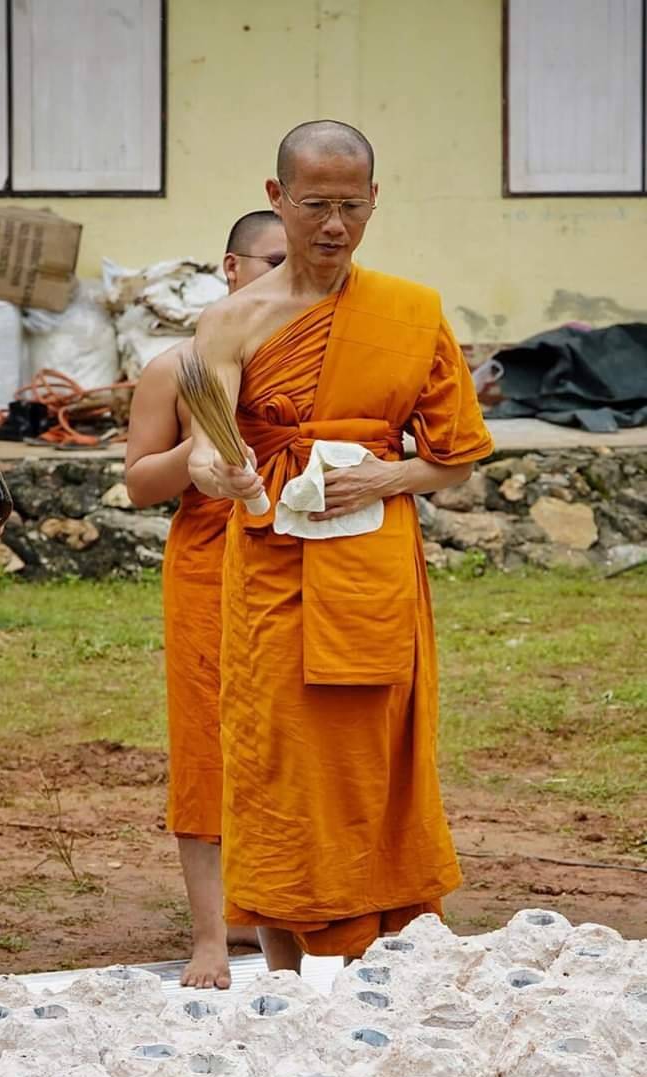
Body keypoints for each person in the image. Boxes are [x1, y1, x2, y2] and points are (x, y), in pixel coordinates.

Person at [188, 120, 494, 972]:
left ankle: (381, 956)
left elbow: (455, 459)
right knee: (278, 759)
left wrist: (384, 480)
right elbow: (211, 444)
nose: (333, 225)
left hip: (372, 566)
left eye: (351, 207)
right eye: (315, 205)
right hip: (273, 565)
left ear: (373, 202)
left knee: (374, 757)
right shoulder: (231, 321)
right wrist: (226, 473)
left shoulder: (410, 311)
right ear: (276, 198)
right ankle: (285, 969)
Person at [125, 211, 285, 989]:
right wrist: (200, 449)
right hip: (209, 565)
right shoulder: (178, 369)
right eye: (272, 261)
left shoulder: (313, 360)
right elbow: (137, 482)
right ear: (230, 268)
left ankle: (288, 905)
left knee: (296, 737)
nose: (287, 278)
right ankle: (212, 936)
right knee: (207, 740)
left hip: (294, 559)